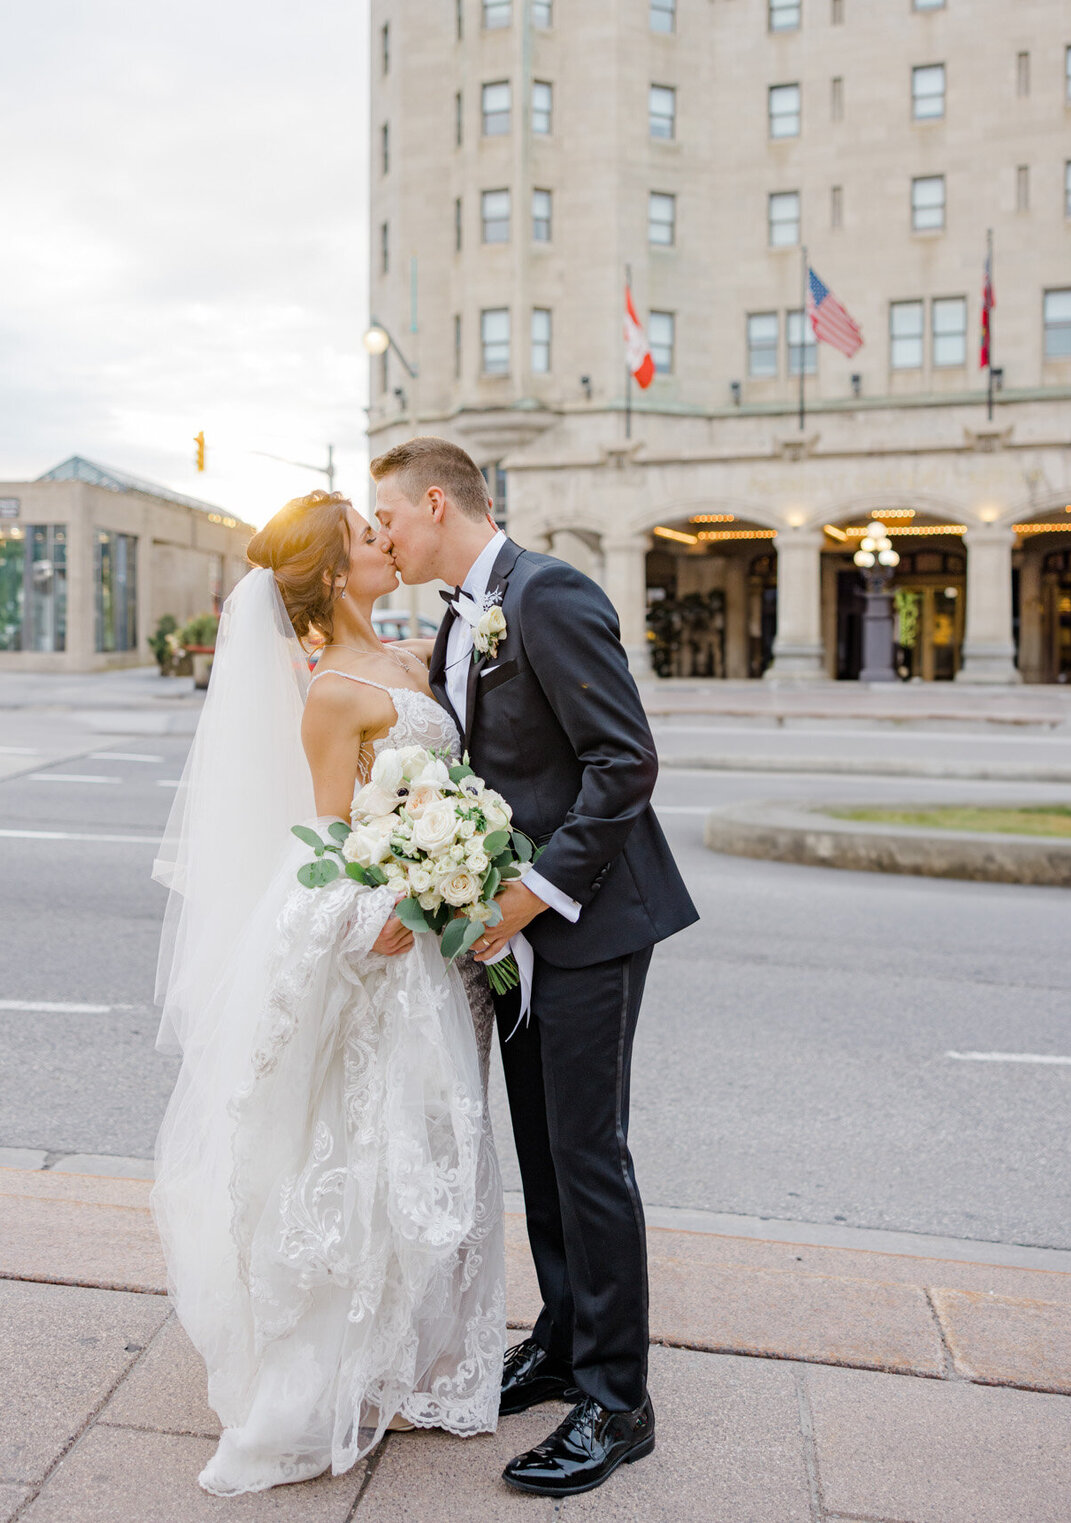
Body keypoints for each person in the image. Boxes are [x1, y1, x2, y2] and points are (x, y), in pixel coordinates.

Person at [149, 489, 504, 1497]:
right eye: (363, 535)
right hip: (390, 936)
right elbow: (328, 836)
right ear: (330, 572)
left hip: (441, 937)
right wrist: (411, 890)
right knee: (368, 1151)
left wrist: (461, 852)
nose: (382, 540)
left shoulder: (409, 653)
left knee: (434, 1142)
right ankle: (327, 1371)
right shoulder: (333, 690)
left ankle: (421, 1355)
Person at [372, 437, 700, 1500]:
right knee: (547, 1154)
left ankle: (618, 1395)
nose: (384, 536)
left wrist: (531, 893)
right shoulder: (464, 616)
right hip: (516, 933)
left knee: (589, 1152)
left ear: (435, 502)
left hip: (590, 919)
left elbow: (625, 761)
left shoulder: (546, 593)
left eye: (390, 517)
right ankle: (563, 1338)